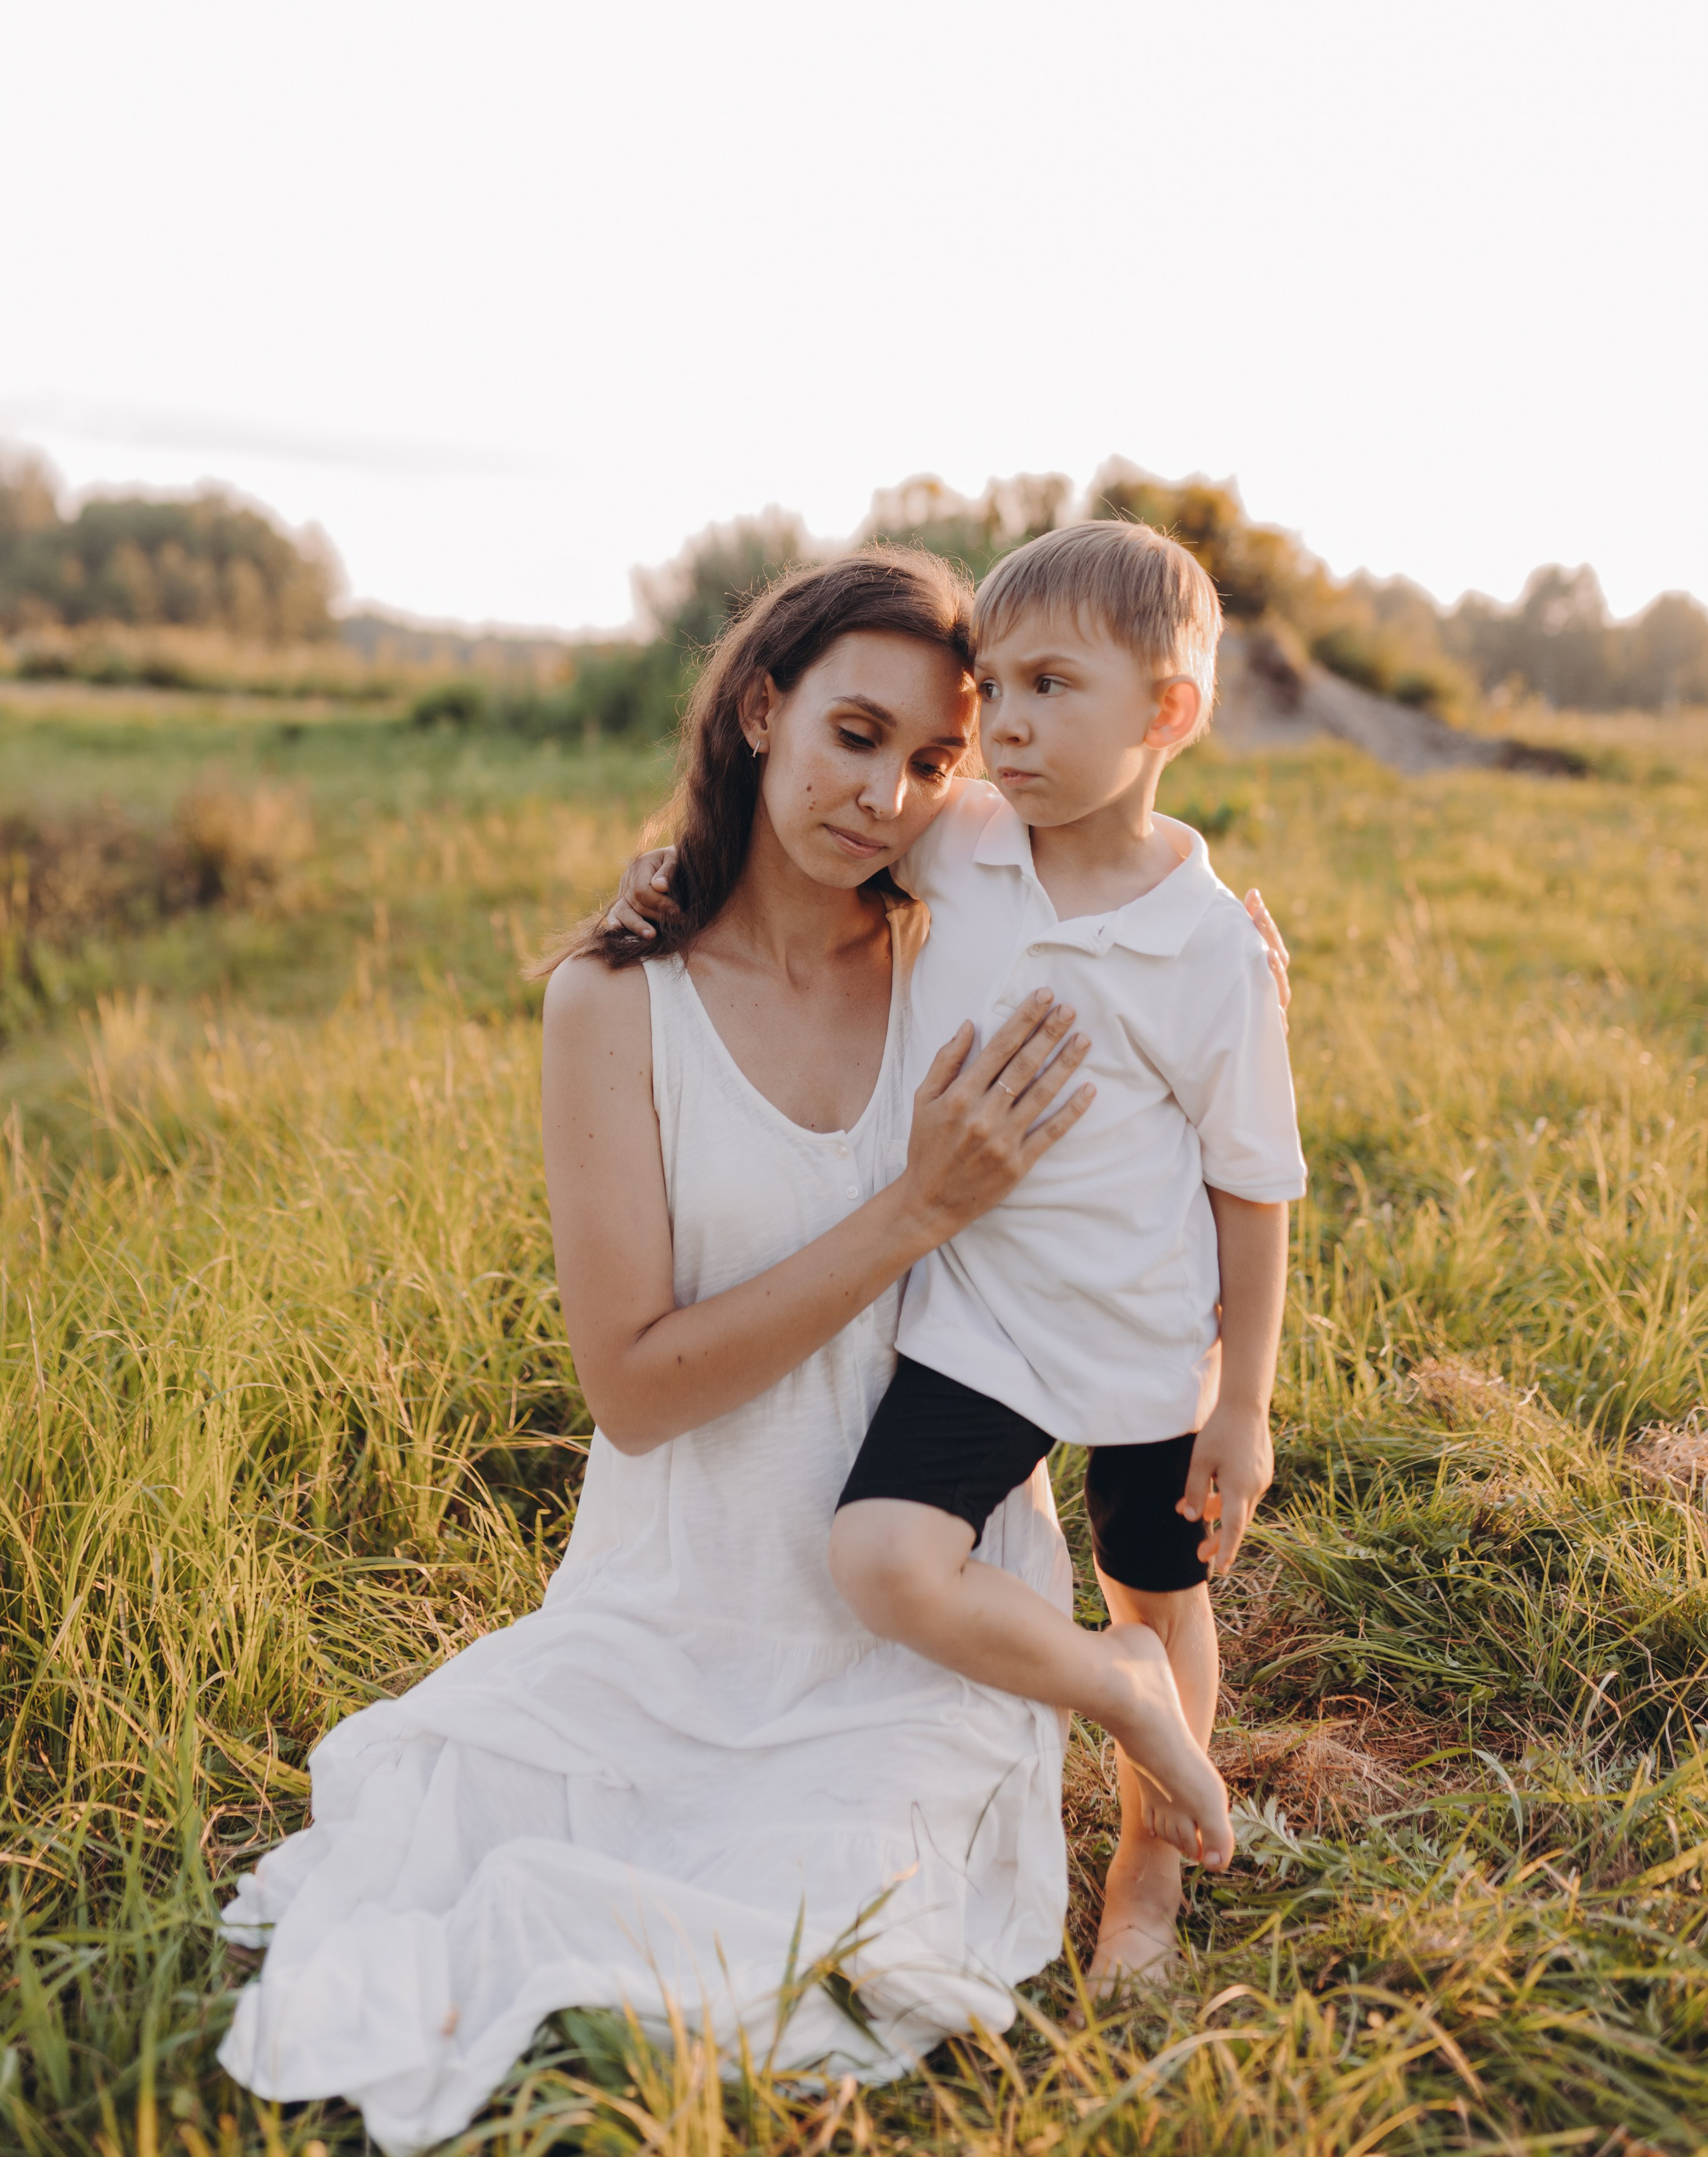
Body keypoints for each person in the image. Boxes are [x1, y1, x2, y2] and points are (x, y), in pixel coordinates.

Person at [217, 548, 1236, 2157]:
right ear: (758, 708)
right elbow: (630, 1388)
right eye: (850, 733)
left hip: (922, 1601)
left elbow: (1145, 903)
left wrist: (1244, 953)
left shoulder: (954, 941)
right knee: (489, 1852)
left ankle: (1135, 1819)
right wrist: (915, 1208)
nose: (886, 796)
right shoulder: (613, 1003)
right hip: (681, 1587)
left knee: (826, 1926)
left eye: (931, 759)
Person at [827, 520, 1305, 1976]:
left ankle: (1143, 1890)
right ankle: (1115, 1690)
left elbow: (1253, 1183)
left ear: (1165, 714)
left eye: (1049, 686)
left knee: (1162, 1592)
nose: (1003, 725)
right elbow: (810, 839)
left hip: (1144, 1340)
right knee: (883, 1558)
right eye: (993, 687)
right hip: (975, 1321)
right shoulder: (963, 839)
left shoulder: (1209, 946)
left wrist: (1239, 1403)